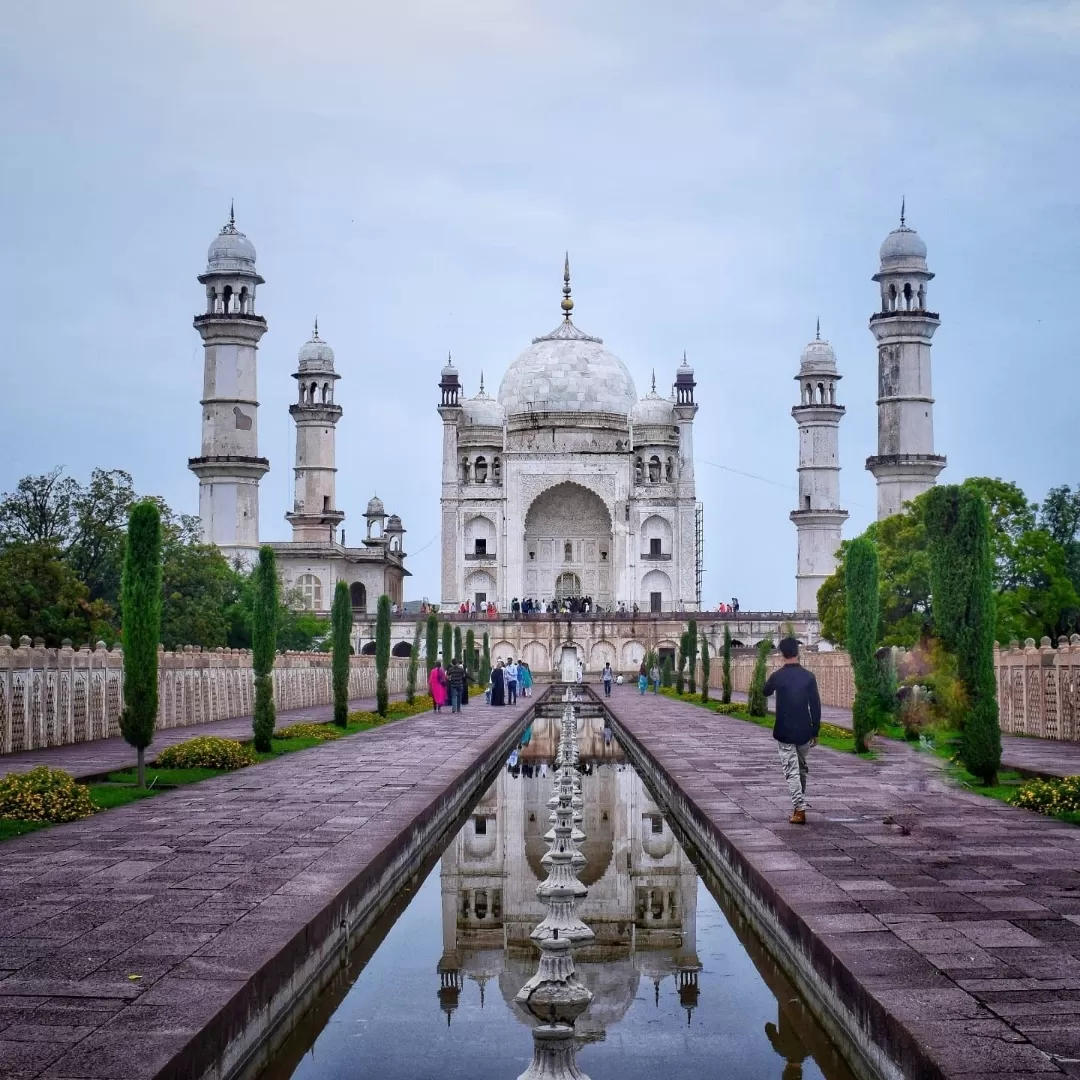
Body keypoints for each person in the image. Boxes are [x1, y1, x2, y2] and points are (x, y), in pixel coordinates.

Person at [764, 637, 821, 825]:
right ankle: (799, 805)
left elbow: (765, 691)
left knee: (793, 772)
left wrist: (773, 674)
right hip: (805, 729)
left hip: (785, 731)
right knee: (802, 770)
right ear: (798, 652)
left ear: (782, 654)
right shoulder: (808, 677)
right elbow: (815, 705)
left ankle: (799, 808)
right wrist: (815, 730)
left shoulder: (778, 676)